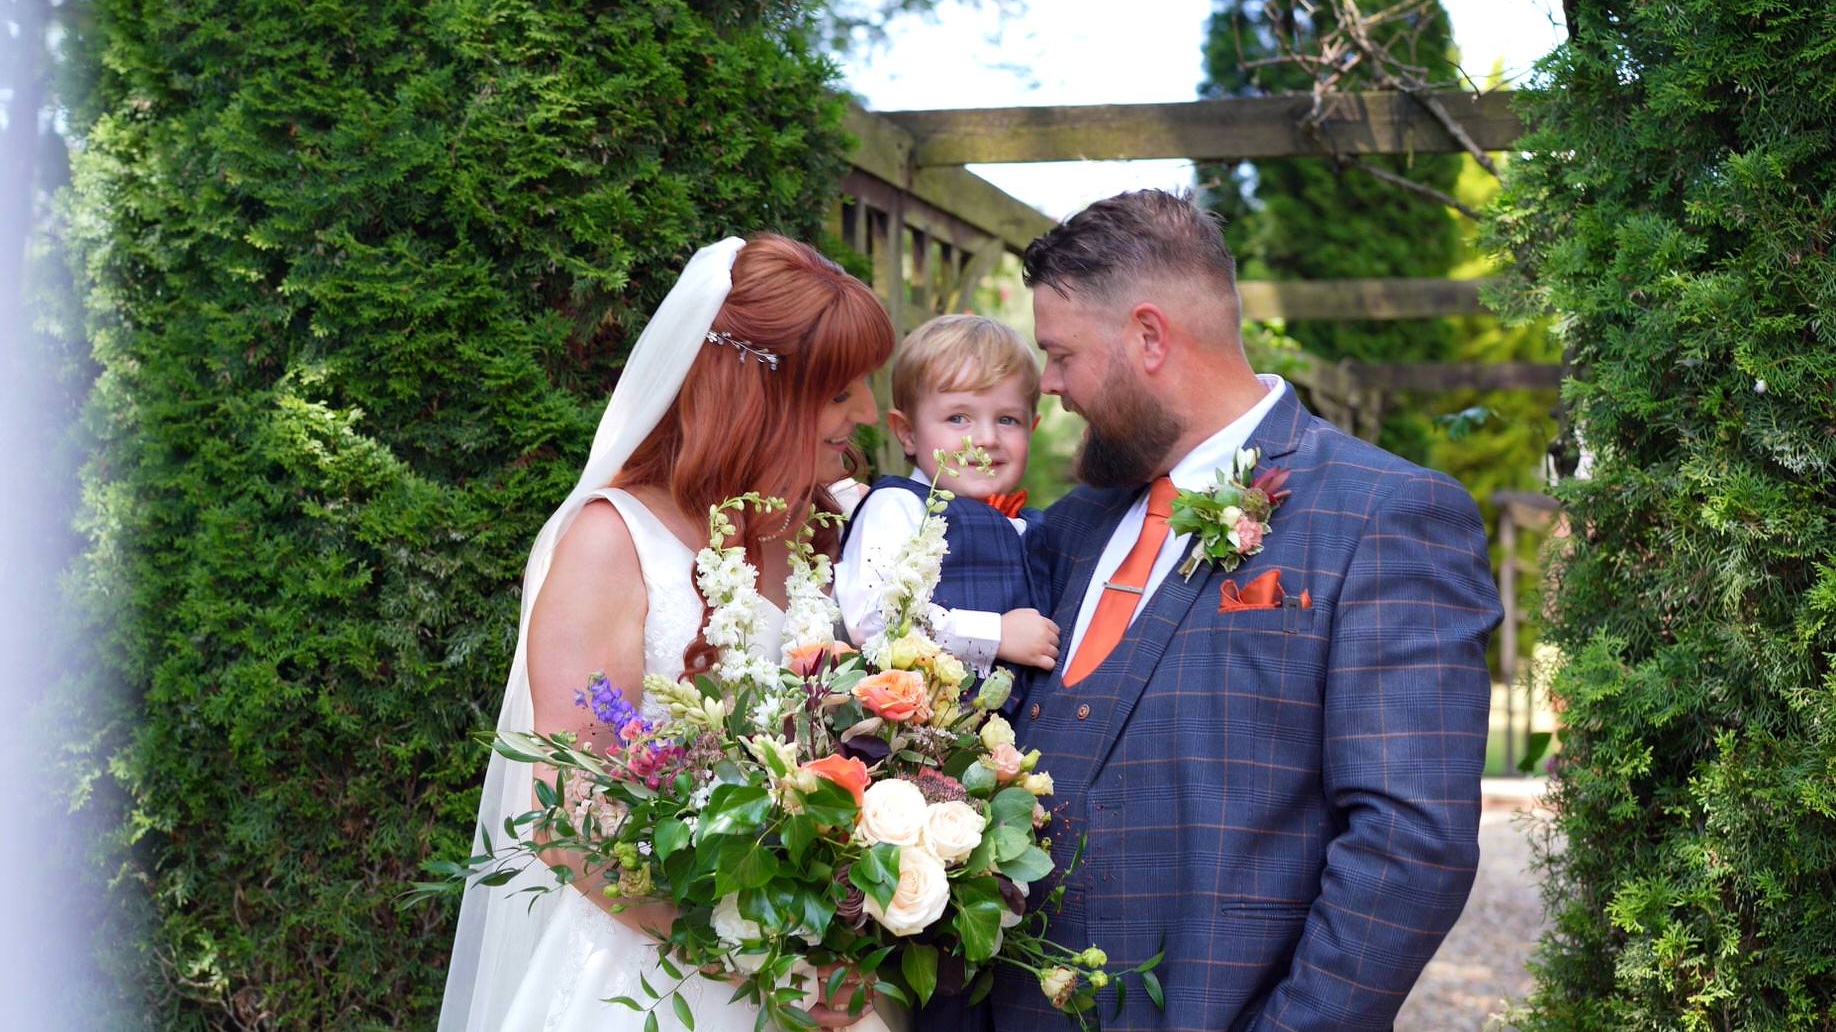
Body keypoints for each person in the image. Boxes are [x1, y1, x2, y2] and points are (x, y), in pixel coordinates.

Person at [987, 190, 1501, 1031]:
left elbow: (1411, 844)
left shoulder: (1387, 513)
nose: (1048, 387)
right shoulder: (1070, 526)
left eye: (1060, 354)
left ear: (1149, 337)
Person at [439, 234, 901, 1032]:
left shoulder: (833, 531)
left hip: (833, 978)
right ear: (755, 392)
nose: (864, 412)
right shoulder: (610, 542)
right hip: (653, 985)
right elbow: (565, 814)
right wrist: (764, 966)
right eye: (838, 393)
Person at [835, 314, 1060, 679]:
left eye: (1007, 420)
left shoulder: (1031, 527)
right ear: (907, 432)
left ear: (1031, 429)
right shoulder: (898, 506)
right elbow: (871, 619)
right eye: (958, 418)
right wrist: (994, 634)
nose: (986, 438)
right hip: (920, 725)